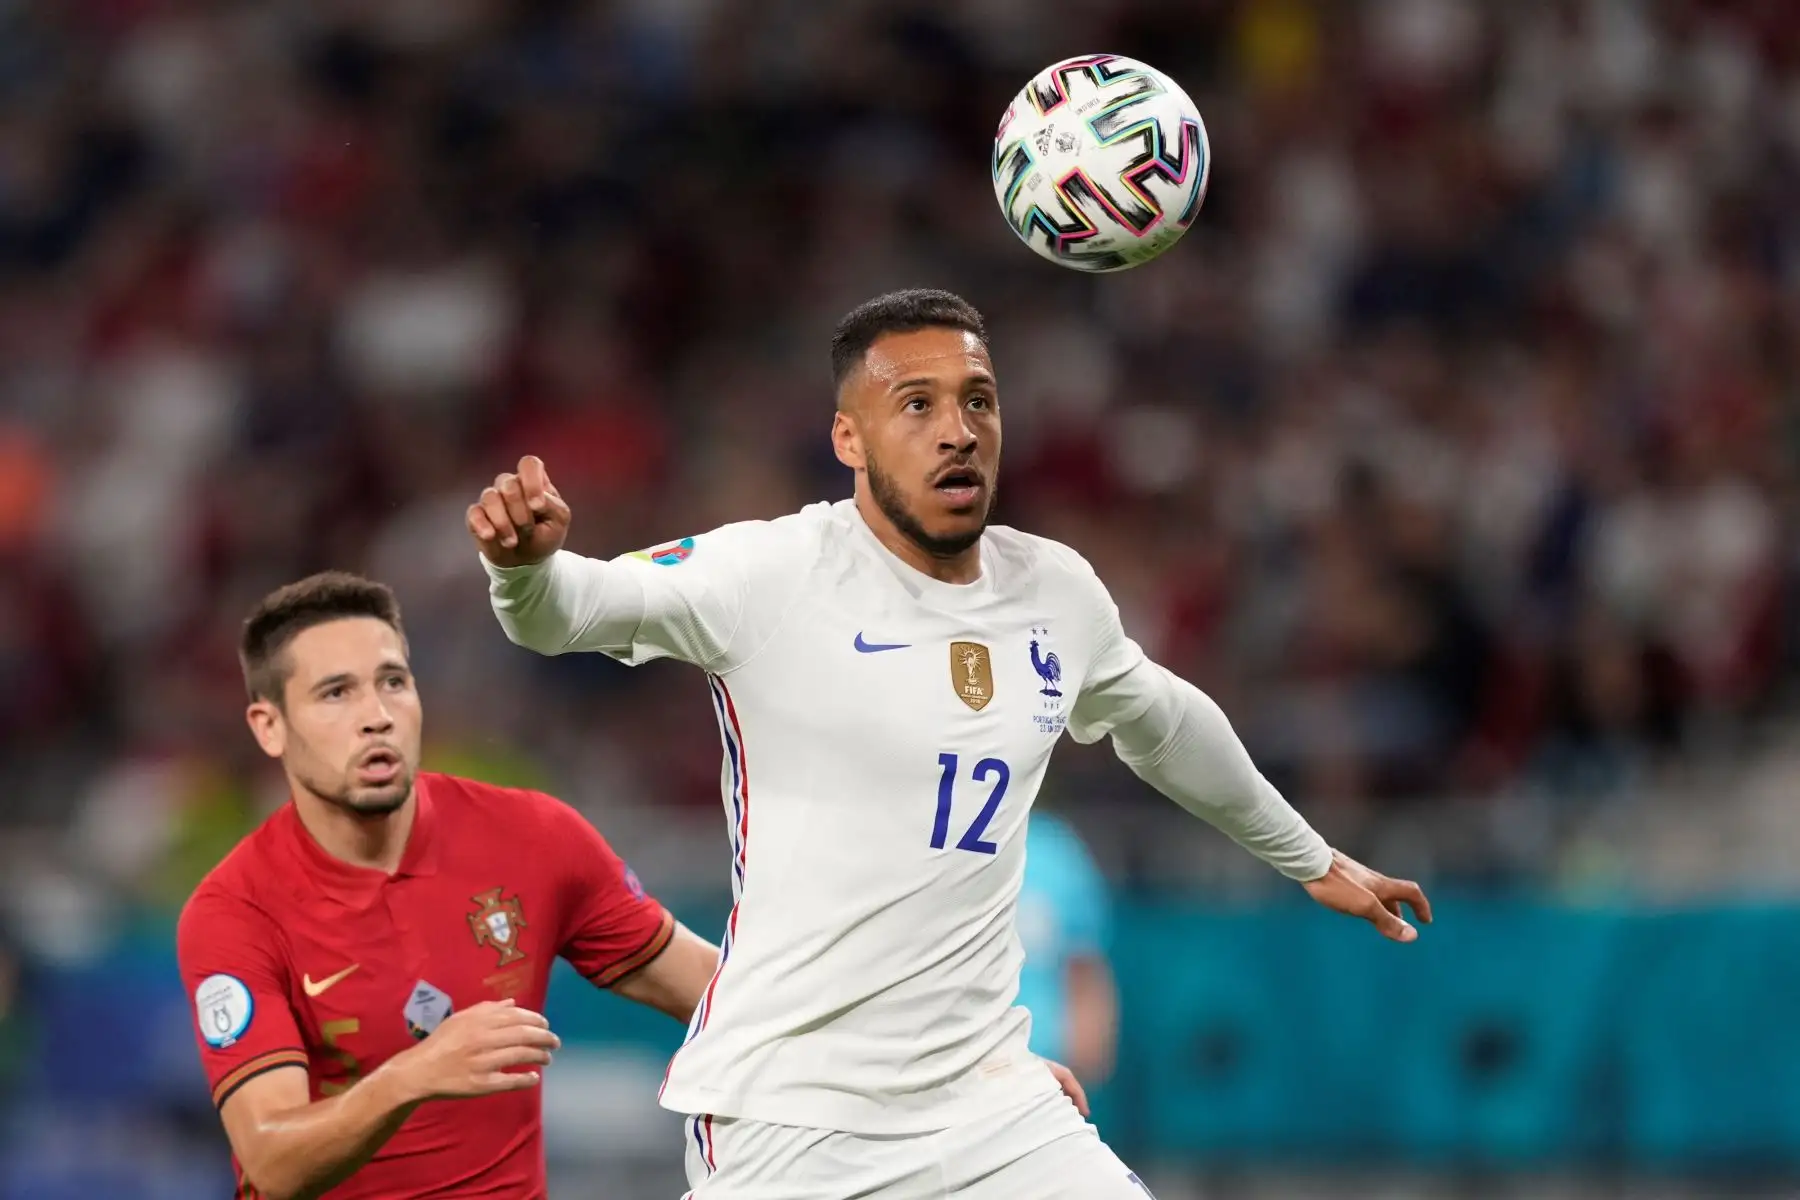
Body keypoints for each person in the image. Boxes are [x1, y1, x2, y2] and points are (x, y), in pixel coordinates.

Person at [468, 289, 1432, 1199]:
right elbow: (570, 611)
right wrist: (524, 569)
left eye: (979, 400)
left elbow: (1165, 722)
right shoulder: (769, 572)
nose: (957, 429)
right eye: (917, 404)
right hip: (789, 1115)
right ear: (849, 437)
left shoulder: (1053, 590)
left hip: (990, 1107)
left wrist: (1309, 858)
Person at [175, 572, 722, 1200]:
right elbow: (272, 1162)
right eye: (335, 694)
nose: (376, 717)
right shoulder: (236, 913)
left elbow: (721, 996)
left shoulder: (535, 838)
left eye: (393, 682)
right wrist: (415, 1075)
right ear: (269, 727)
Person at [1015, 810, 1118, 1088]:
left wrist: (1087, 1055)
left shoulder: (1054, 848)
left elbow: (1084, 967)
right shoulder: (935, 839)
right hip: (959, 1072)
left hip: (1044, 1076)